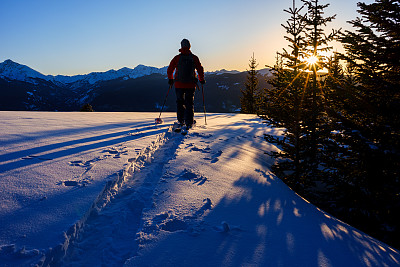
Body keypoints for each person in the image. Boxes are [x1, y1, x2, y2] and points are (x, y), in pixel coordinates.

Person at [167, 39, 205, 129]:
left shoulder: (177, 58)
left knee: (180, 102)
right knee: (189, 103)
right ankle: (189, 122)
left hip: (179, 84)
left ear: (181, 46)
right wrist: (201, 79)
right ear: (189, 46)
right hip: (191, 84)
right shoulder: (194, 58)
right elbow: (200, 69)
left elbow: (170, 69)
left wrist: (170, 79)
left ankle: (181, 120)